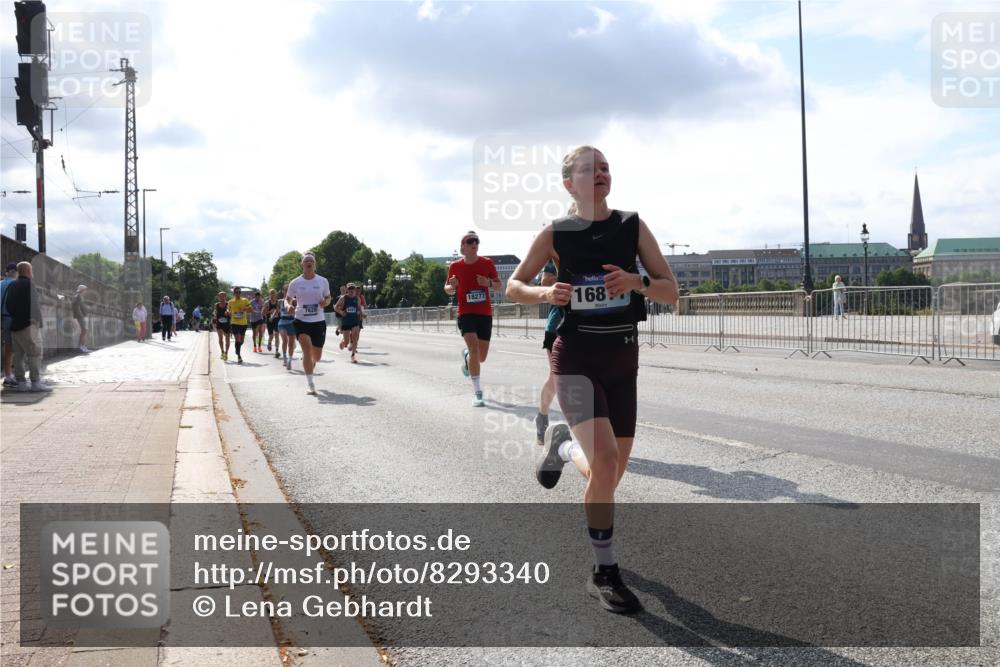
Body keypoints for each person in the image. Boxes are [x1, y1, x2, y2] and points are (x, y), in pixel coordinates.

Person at [506, 146, 679, 614]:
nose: (600, 173)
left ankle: (563, 447)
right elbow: (514, 285)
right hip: (576, 357)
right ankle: (604, 572)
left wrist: (635, 282)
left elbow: (671, 289)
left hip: (622, 360)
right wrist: (546, 290)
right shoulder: (556, 233)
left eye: (605, 167)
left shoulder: (632, 226)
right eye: (589, 168)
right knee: (605, 463)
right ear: (569, 183)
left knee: (610, 471)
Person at [445, 231, 501, 407]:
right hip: (466, 312)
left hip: (484, 313)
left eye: (476, 241)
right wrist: (451, 287)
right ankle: (477, 392)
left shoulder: (487, 263)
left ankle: (468, 357)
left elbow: (499, 285)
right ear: (463, 247)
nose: (474, 243)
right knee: (474, 347)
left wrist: (489, 283)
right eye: (470, 241)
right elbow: (447, 288)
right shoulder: (455, 266)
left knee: (481, 357)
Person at [286, 254, 332, 395]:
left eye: (311, 261)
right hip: (301, 320)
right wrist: (288, 305)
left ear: (315, 264)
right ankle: (311, 384)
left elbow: (329, 297)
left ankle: (311, 361)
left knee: (316, 356)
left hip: (318, 321)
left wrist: (326, 302)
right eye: (306, 261)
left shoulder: (323, 281)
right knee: (306, 350)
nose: (309, 263)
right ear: (302, 264)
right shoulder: (295, 283)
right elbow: (287, 299)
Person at [5, 262, 51, 392]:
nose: (33, 272)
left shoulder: (12, 284)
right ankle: (35, 382)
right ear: (28, 271)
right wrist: (37, 320)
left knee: (18, 356)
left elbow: (8, 304)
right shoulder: (29, 284)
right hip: (28, 325)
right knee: (34, 353)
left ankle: (21, 383)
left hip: (15, 325)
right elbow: (35, 304)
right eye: (32, 270)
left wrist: (16, 316)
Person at [535, 260, 563, 445]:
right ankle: (542, 416)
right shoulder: (554, 258)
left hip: (586, 327)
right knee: (556, 377)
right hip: (558, 326)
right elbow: (545, 282)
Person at [335, 283, 363, 363]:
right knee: (347, 341)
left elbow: (359, 308)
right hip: (346, 322)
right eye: (349, 289)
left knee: (355, 339)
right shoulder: (343, 298)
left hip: (355, 321)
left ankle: (353, 355)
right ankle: (344, 342)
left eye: (352, 289)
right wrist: (341, 312)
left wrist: (362, 313)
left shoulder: (357, 298)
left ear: (355, 290)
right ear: (347, 290)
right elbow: (336, 307)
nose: (351, 291)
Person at [1, 262, 18, 386]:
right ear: (15, 272)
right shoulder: (14, 284)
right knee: (9, 347)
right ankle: (8, 375)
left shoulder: (1, 283)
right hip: (8, 318)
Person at [228, 287, 252, 364]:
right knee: (237, 339)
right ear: (234, 293)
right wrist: (228, 312)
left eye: (239, 292)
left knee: (241, 341)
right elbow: (228, 310)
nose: (238, 294)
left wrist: (244, 309)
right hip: (234, 322)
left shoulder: (245, 300)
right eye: (236, 292)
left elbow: (250, 309)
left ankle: (237, 349)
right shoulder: (230, 302)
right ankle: (239, 356)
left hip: (243, 323)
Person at [276, 285, 297, 370]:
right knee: (285, 340)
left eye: (289, 291)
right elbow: (277, 311)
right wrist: (272, 316)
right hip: (282, 322)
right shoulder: (280, 301)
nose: (287, 292)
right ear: (283, 291)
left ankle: (289, 361)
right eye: (286, 291)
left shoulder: (295, 301)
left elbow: (298, 311)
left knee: (291, 344)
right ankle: (284, 358)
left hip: (292, 322)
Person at [212, 291, 231, 361]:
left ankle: (226, 353)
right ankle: (222, 352)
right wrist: (214, 315)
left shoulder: (228, 304)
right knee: (220, 338)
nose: (221, 298)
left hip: (227, 324)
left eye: (223, 296)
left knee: (227, 339)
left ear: (225, 297)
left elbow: (230, 312)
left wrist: (228, 313)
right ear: (218, 297)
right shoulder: (216, 305)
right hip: (219, 323)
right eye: (220, 296)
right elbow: (215, 312)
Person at [72, 284, 90, 353]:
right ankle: (81, 347)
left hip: (81, 316)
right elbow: (76, 307)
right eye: (85, 290)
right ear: (82, 290)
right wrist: (81, 315)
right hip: (80, 316)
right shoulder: (77, 296)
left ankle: (83, 346)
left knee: (84, 331)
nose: (85, 291)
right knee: (84, 330)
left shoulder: (80, 296)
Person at [263, 289, 280, 355]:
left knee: (277, 334)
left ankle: (277, 350)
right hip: (269, 321)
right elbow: (263, 313)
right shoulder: (267, 303)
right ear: (269, 294)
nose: (272, 294)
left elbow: (277, 311)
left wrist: (273, 315)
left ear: (276, 294)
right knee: (271, 335)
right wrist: (270, 311)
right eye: (271, 293)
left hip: (276, 320)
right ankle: (269, 343)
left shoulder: (277, 302)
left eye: (274, 293)